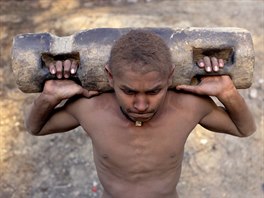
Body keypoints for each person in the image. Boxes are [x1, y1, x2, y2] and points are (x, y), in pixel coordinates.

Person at [25, 30, 256, 198]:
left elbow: (244, 129)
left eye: (155, 91)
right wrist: (50, 96)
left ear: (169, 77)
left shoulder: (188, 106)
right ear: (110, 77)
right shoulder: (90, 108)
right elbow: (37, 127)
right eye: (128, 91)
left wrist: (227, 92)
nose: (141, 104)